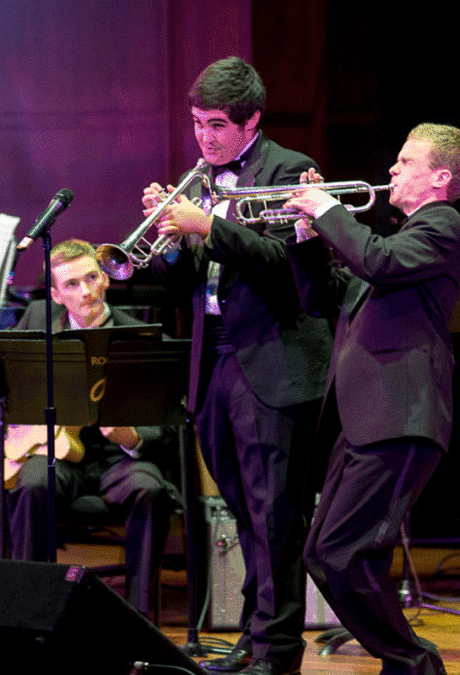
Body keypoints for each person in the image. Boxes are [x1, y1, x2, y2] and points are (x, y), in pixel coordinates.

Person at [146, 56, 333, 675]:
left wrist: (210, 227)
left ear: (251, 121)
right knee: (246, 512)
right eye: (198, 123)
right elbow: (183, 287)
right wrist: (167, 242)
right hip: (214, 363)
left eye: (218, 125)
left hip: (273, 362)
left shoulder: (289, 172)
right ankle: (257, 638)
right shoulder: (198, 179)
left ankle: (278, 652)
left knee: (276, 514)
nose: (204, 137)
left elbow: (290, 269)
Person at [284, 122, 460, 675]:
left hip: (402, 420)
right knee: (324, 554)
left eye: (404, 161)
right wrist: (308, 241)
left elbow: (378, 262)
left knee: (345, 553)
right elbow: (329, 298)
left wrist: (326, 210)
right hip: (366, 422)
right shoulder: (397, 239)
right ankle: (407, 663)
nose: (391, 170)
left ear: (440, 177)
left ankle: (413, 662)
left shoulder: (442, 224)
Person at [0, 238, 179, 618]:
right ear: (56, 295)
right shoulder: (37, 322)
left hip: (119, 460)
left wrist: (134, 438)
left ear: (106, 279)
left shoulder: (143, 338)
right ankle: (32, 612)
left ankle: (138, 618)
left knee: (150, 489)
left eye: (92, 277)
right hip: (59, 455)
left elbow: (170, 427)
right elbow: (8, 389)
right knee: (32, 482)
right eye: (72, 284)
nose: (87, 290)